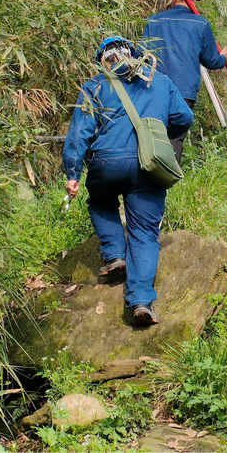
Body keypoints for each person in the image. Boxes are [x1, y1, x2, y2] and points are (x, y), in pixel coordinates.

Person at [62, 37, 193, 326]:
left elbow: (78, 134)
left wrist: (73, 174)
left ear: (103, 61)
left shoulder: (95, 86)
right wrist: (155, 129)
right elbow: (184, 117)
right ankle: (141, 301)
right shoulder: (159, 81)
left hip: (106, 163)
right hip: (148, 164)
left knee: (100, 203)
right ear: (133, 56)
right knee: (144, 233)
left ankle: (115, 255)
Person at [142, 0, 227, 163]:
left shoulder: (153, 22)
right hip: (184, 91)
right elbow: (211, 61)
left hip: (154, 88)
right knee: (175, 137)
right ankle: (167, 179)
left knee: (152, 133)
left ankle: (146, 175)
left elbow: (143, 59)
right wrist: (223, 58)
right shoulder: (200, 24)